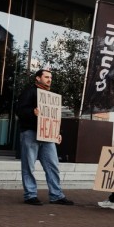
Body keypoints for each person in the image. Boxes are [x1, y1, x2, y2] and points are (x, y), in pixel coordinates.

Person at [16, 69, 74, 206]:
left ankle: (56, 195)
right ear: (37, 78)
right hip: (30, 133)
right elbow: (19, 110)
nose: (49, 79)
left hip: (47, 136)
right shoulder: (29, 92)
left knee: (53, 165)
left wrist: (56, 133)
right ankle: (30, 195)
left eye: (51, 77)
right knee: (29, 166)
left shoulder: (51, 96)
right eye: (46, 77)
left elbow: (53, 117)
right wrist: (32, 112)